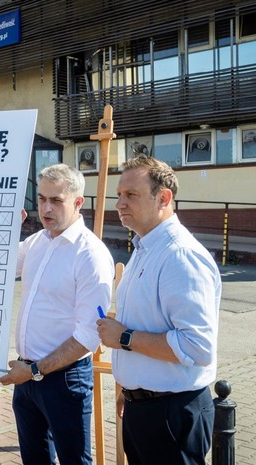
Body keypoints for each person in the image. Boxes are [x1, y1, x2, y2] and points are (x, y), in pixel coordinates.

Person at [97, 155, 220, 465]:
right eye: (119, 194)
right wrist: (132, 388)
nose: (119, 204)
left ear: (163, 198)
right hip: (146, 407)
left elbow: (197, 346)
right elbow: (149, 321)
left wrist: (124, 337)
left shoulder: (180, 256)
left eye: (131, 195)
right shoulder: (146, 247)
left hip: (171, 413)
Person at [0, 164, 114, 465]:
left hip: (64, 380)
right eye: (42, 198)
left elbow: (88, 336)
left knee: (74, 461)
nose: (46, 208)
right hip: (26, 377)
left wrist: (35, 370)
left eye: (56, 200)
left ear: (78, 202)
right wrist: (4, 228)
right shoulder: (37, 242)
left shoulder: (90, 254)